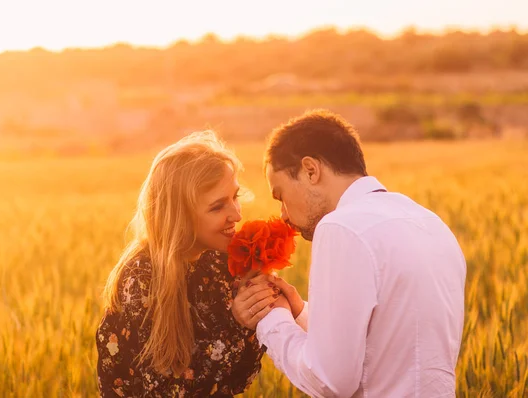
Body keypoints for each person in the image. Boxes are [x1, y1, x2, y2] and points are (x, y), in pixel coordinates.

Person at [232, 110, 467, 397]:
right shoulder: (431, 223)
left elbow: (329, 380)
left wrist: (271, 318)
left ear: (310, 170)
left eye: (280, 195)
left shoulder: (341, 226)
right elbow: (385, 344)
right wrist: (298, 312)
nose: (282, 215)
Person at [96, 131, 277, 397]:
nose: (237, 214)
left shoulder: (221, 262)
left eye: (235, 197)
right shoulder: (141, 278)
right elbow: (166, 390)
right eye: (217, 207)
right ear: (179, 216)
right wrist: (236, 323)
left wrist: (256, 312)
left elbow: (236, 382)